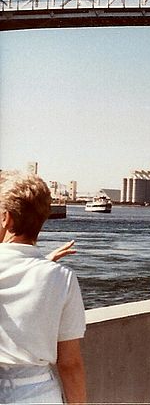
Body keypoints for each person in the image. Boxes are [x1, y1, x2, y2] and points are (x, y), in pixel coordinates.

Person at [0, 171, 87, 404]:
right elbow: (70, 364)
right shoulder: (62, 279)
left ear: (5, 218)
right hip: (36, 393)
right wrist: (45, 266)